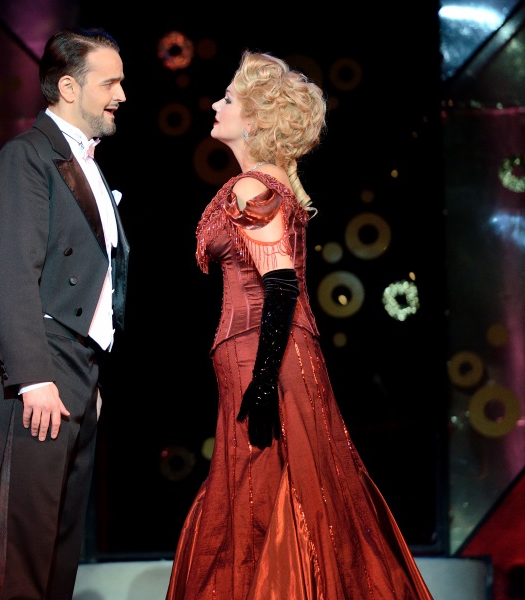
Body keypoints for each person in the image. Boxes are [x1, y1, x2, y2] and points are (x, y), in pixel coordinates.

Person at [165, 51, 434, 600]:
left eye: (228, 99)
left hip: (263, 356)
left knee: (265, 495)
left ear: (254, 120)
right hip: (264, 356)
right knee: (283, 493)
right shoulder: (268, 184)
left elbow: (282, 285)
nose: (215, 105)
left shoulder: (252, 188)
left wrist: (263, 383)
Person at [0, 28, 129, 600]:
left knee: (59, 553)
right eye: (110, 83)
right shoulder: (27, 158)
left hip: (78, 369)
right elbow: (10, 273)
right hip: (41, 367)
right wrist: (35, 378)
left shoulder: (88, 164)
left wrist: (90, 372)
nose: (121, 95)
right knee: (23, 556)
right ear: (68, 87)